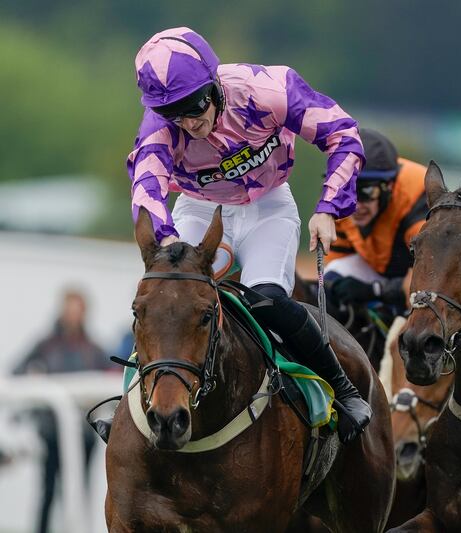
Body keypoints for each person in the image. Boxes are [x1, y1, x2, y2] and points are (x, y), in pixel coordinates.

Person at [125, 27, 370, 443]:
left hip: (267, 206)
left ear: (215, 83)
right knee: (167, 297)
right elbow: (146, 185)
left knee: (266, 300)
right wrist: (165, 240)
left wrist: (329, 207)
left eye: (196, 104)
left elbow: (343, 135)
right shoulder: (159, 128)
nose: (190, 120)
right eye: (175, 114)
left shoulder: (268, 89)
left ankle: (342, 390)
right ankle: (125, 409)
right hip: (200, 207)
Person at [13, 289, 112, 533]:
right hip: (50, 431)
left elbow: (111, 381)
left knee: (79, 491)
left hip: (83, 436)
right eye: (70, 309)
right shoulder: (45, 345)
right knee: (47, 491)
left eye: (77, 310)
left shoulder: (94, 348)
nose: (73, 315)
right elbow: (17, 371)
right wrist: (35, 381)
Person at [324, 129, 427, 314]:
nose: (355, 205)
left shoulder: (418, 198)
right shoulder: (336, 198)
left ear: (388, 186)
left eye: (366, 192)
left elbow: (423, 287)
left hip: (423, 277)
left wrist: (374, 292)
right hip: (381, 270)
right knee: (332, 280)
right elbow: (334, 265)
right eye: (347, 190)